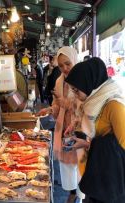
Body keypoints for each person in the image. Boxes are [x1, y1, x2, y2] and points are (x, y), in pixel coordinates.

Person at [65, 57, 125, 203]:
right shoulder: (92, 103)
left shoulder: (114, 106)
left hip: (110, 182)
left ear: (89, 83)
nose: (74, 94)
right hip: (95, 176)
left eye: (76, 90)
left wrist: (91, 145)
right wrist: (85, 143)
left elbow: (121, 148)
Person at [37, 46, 82, 203]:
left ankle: (81, 194)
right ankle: (72, 191)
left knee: (81, 161)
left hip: (79, 127)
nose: (64, 68)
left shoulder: (83, 78)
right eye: (61, 65)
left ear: (74, 60)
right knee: (66, 162)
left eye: (67, 63)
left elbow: (84, 105)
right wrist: (49, 109)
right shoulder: (59, 81)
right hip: (63, 128)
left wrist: (66, 103)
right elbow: (57, 105)